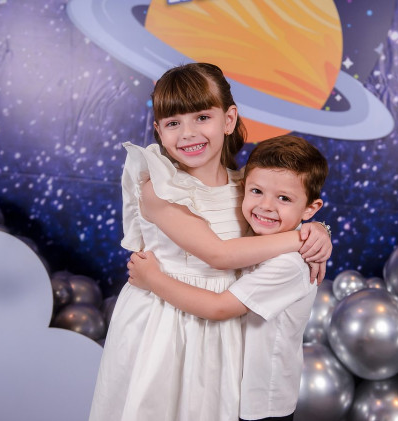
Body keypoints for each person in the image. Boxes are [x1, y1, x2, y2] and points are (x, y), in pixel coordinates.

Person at [88, 63, 332, 421]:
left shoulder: (247, 187)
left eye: (202, 117)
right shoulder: (159, 189)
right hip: (165, 320)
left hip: (224, 324)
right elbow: (219, 254)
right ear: (158, 131)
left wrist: (318, 230)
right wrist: (299, 238)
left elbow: (282, 212)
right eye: (173, 123)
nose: (188, 133)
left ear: (228, 120)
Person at [128, 135, 329, 421]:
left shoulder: (290, 264)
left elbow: (219, 307)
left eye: (284, 198)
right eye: (256, 191)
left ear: (310, 208)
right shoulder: (256, 235)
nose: (266, 206)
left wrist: (153, 280)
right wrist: (320, 229)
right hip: (231, 384)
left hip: (261, 401)